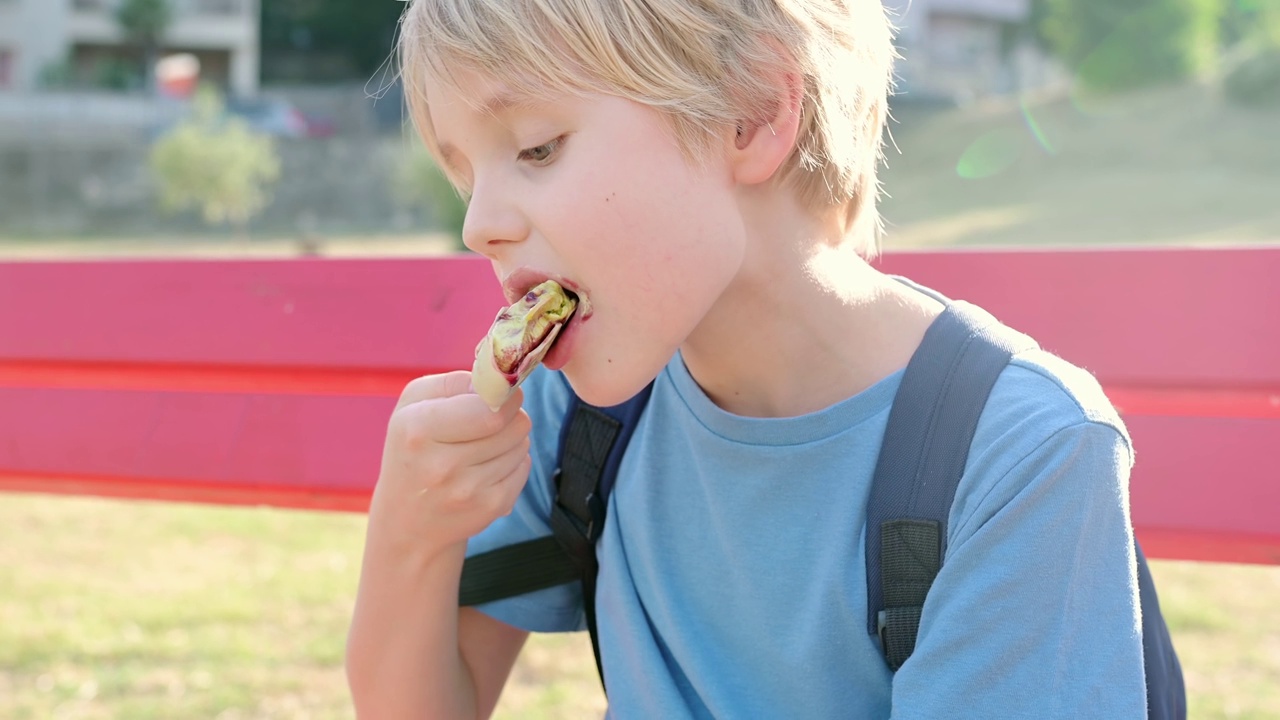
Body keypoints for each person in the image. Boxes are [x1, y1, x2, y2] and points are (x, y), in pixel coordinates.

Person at [345, 0, 1148, 717]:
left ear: (755, 111)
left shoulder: (1017, 454)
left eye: (537, 148)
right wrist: (410, 538)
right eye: (464, 175)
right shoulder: (578, 414)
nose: (479, 224)